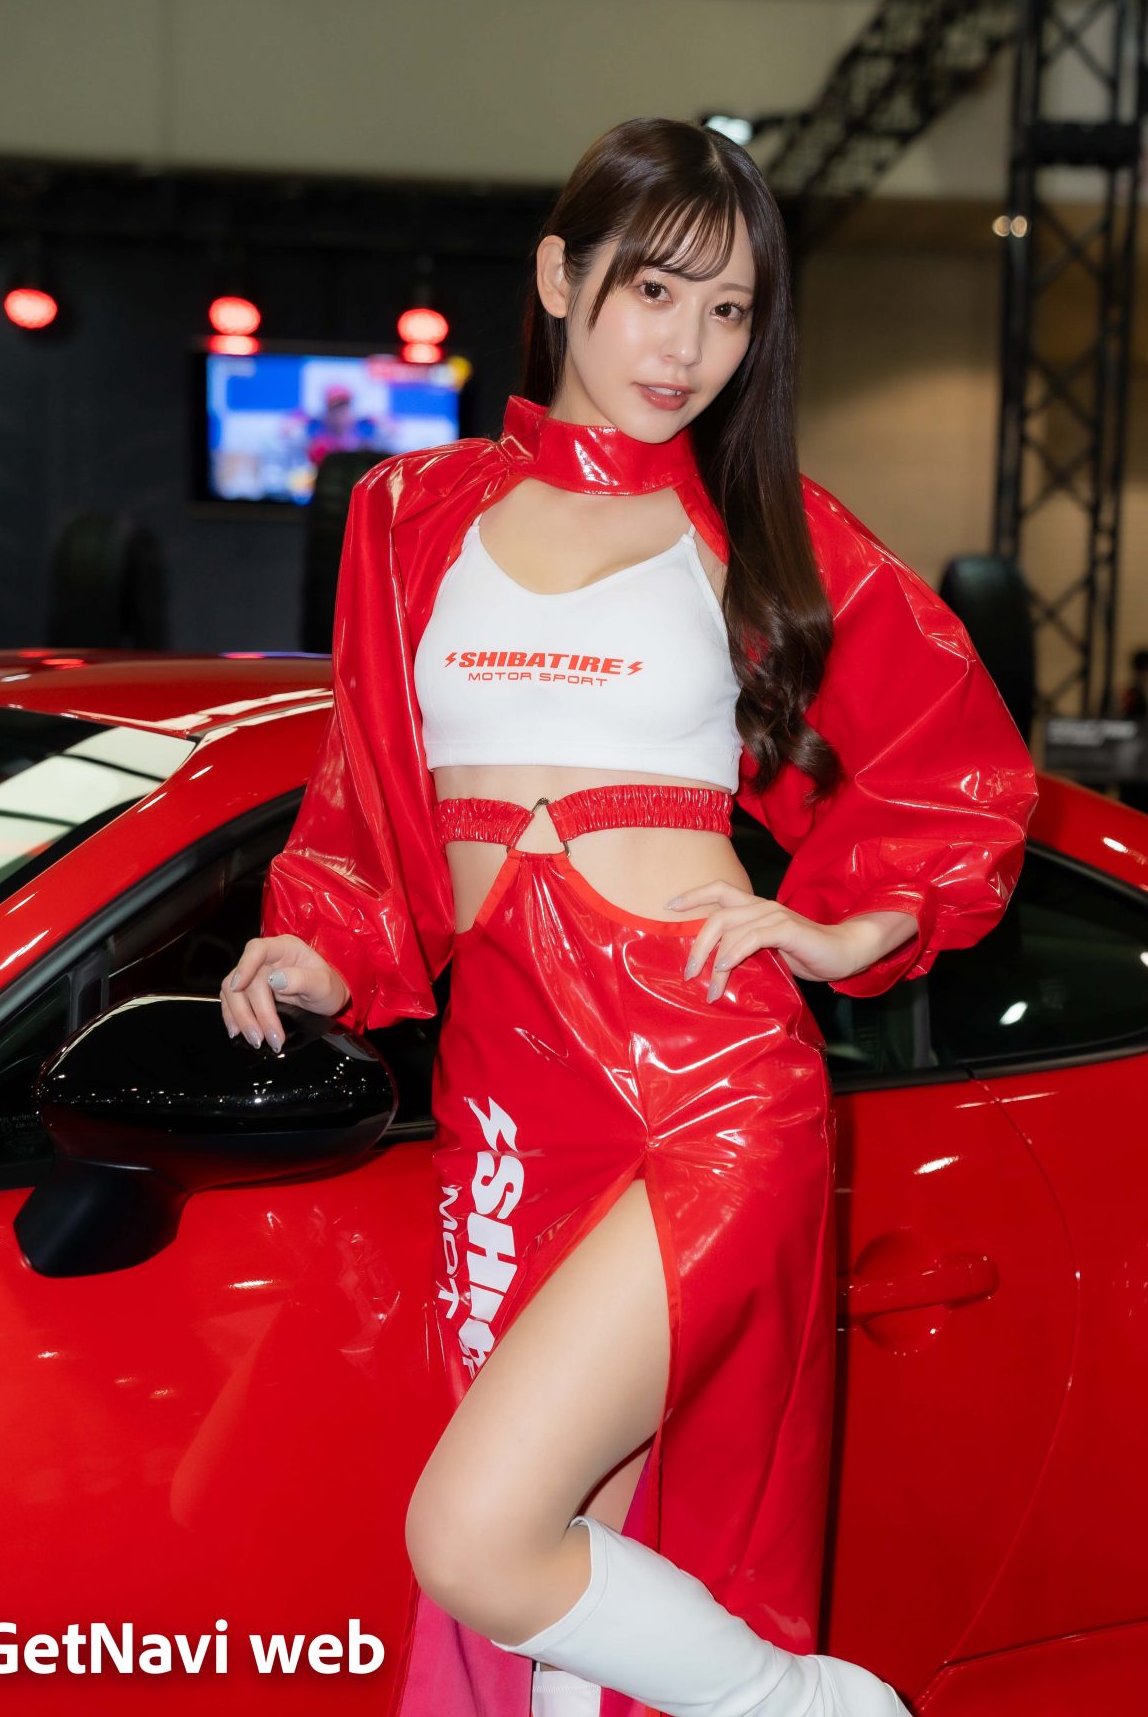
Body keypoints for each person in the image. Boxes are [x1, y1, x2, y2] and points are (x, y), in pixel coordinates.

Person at [221, 117, 1040, 1717]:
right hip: (511, 1087)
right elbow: (367, 793)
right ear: (559, 276)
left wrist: (844, 929)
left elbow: (956, 767)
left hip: (706, 1081)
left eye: (730, 311)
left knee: (475, 1536)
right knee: (563, 1593)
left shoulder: (767, 535)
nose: (687, 346)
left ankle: (816, 1708)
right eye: (656, 291)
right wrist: (313, 946)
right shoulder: (409, 514)